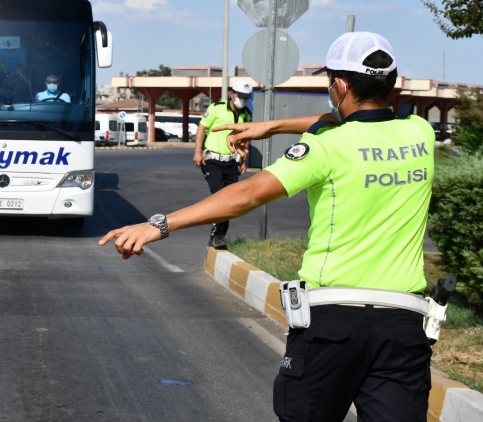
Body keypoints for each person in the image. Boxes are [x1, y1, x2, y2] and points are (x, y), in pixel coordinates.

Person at [100, 32, 435, 422]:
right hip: (404, 327)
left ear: (339, 86)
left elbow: (248, 195)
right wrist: (271, 127)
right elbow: (347, 120)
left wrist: (160, 224)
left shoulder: (326, 148)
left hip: (333, 324)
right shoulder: (419, 134)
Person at [193, 80, 253, 249]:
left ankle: (219, 235)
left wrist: (243, 161)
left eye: (246, 97)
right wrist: (198, 152)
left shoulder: (246, 114)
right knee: (220, 197)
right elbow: (201, 129)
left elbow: (245, 139)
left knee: (231, 200)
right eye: (241, 96)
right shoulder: (216, 108)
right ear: (232, 94)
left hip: (232, 162)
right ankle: (216, 235)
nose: (243, 100)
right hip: (212, 160)